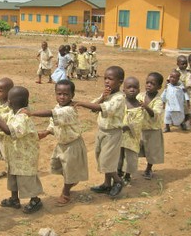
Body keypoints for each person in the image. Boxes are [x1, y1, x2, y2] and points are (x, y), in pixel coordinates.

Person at [27, 79, 88, 205]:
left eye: (66, 94)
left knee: (69, 169)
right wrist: (47, 132)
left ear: (72, 95)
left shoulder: (69, 109)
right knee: (58, 166)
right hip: (62, 144)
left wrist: (32, 113)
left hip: (73, 145)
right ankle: (71, 180)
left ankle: (66, 192)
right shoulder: (58, 107)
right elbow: (54, 123)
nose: (62, 97)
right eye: (59, 94)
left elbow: (51, 114)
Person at [0, 86, 44, 214]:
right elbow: (5, 120)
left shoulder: (22, 118)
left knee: (26, 179)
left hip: (24, 157)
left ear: (9, 102)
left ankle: (35, 200)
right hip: (14, 155)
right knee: (12, 176)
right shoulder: (14, 114)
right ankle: (14, 199)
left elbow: (9, 131)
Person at [76, 66, 126, 197]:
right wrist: (102, 97)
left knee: (106, 160)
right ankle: (106, 184)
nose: (106, 81)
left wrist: (80, 103)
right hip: (102, 131)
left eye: (110, 79)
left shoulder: (119, 98)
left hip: (112, 133)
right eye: (105, 78)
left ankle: (118, 181)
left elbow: (100, 108)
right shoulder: (106, 94)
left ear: (120, 81)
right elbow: (95, 107)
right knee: (101, 156)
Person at [137, 72, 164, 180]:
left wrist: (146, 107)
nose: (149, 85)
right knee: (135, 149)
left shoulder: (158, 100)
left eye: (152, 84)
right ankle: (129, 170)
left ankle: (148, 169)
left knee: (151, 151)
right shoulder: (140, 96)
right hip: (140, 129)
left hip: (153, 131)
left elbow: (155, 114)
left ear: (159, 87)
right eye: (147, 82)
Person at [117, 77, 143, 185]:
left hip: (131, 138)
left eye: (135, 87)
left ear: (139, 90)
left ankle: (127, 175)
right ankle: (118, 173)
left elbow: (138, 122)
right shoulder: (120, 102)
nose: (132, 89)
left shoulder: (139, 107)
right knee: (118, 156)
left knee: (130, 157)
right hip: (118, 136)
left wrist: (127, 126)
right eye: (129, 87)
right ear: (124, 90)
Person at [0, 77, 15, 177]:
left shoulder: (12, 105)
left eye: (0, 91)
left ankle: (10, 172)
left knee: (7, 153)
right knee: (1, 152)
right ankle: (9, 170)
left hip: (6, 134)